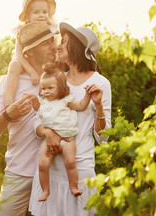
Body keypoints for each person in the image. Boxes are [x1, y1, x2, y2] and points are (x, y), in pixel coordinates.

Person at [29, 22, 112, 216]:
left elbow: (103, 137)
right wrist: (47, 133)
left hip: (80, 171)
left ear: (77, 48)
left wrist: (98, 106)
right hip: (50, 170)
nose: (58, 46)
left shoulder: (100, 83)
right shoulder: (57, 79)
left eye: (64, 42)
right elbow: (37, 118)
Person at [0, 21, 58, 216]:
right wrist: (8, 114)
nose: (53, 46)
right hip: (19, 172)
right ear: (28, 52)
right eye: (45, 43)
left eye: (52, 40)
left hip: (56, 173)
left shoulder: (63, 79)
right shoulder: (9, 82)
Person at [27, 63, 103, 202]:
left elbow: (81, 106)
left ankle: (73, 187)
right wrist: (33, 100)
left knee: (70, 162)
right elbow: (38, 109)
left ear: (61, 87)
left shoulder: (66, 100)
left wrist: (87, 95)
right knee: (43, 164)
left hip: (68, 138)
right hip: (49, 139)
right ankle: (45, 190)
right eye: (43, 88)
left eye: (50, 88)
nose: (46, 91)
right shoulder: (43, 101)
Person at [4, 0, 57, 107]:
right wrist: (31, 71)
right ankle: (8, 103)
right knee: (14, 66)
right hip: (24, 59)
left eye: (44, 12)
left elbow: (55, 48)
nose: (41, 15)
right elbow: (19, 55)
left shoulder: (52, 29)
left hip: (44, 59)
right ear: (28, 16)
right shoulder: (23, 31)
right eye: (36, 12)